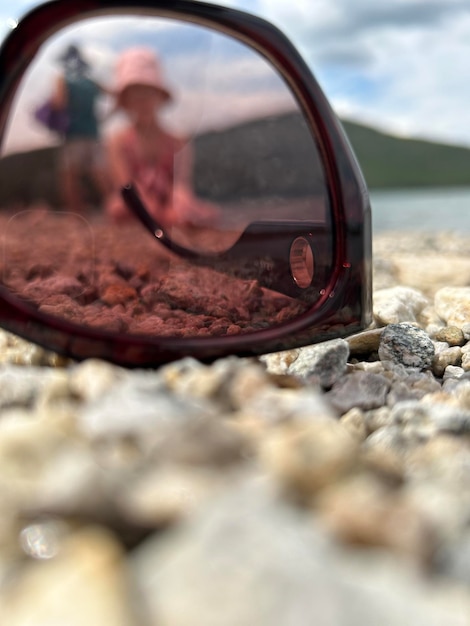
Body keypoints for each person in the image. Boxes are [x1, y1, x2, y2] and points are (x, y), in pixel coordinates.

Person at [105, 46, 217, 228]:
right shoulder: (117, 142)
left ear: (159, 96)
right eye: (135, 95)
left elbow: (181, 185)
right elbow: (125, 186)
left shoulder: (178, 142)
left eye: (147, 93)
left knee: (189, 213)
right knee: (119, 208)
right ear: (125, 102)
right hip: (135, 204)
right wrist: (148, 204)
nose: (142, 101)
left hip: (169, 203)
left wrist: (180, 201)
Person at [51, 44, 111, 213]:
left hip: (73, 134)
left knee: (69, 176)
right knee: (100, 174)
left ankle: (77, 216)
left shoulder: (62, 79)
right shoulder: (92, 83)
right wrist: (105, 118)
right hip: (94, 133)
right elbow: (118, 95)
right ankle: (116, 210)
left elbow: (59, 103)